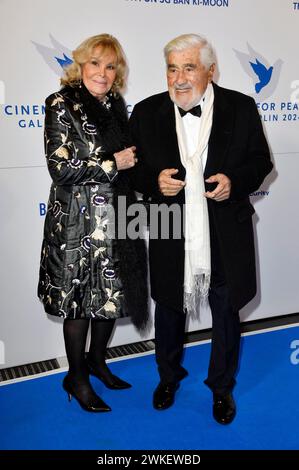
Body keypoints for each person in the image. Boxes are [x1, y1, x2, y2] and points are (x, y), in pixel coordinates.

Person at [129, 34, 273, 424]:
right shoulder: (144, 112)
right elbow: (131, 172)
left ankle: (222, 388)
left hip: (226, 228)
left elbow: (261, 161)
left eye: (189, 67)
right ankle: (167, 377)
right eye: (172, 68)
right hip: (168, 225)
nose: (179, 78)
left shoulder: (241, 107)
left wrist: (235, 181)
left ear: (210, 70)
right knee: (170, 308)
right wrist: (153, 180)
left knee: (226, 311)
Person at [38, 34, 148, 413]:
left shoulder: (116, 104)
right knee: (78, 303)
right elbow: (60, 168)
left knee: (111, 297)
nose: (103, 72)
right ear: (80, 65)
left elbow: (132, 158)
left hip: (116, 217)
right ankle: (77, 376)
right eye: (96, 63)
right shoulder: (60, 103)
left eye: (111, 65)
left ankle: (98, 362)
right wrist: (112, 163)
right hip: (76, 222)